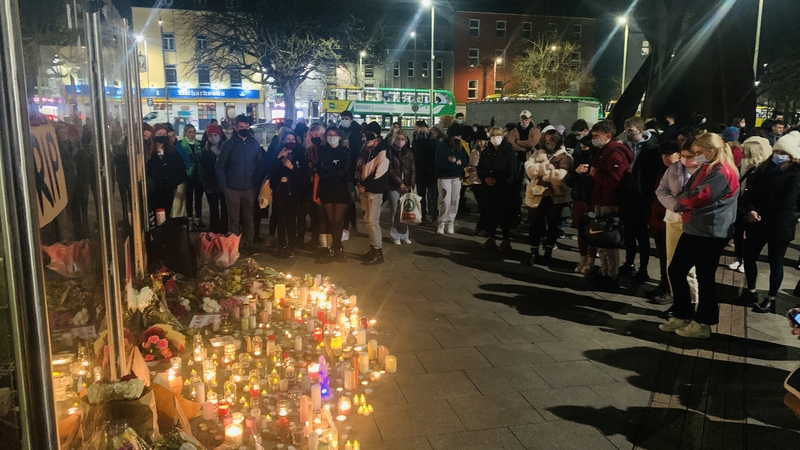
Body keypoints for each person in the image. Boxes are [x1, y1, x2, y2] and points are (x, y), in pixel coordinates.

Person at [659, 132, 739, 339]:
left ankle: (703, 322)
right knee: (676, 270)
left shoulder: (722, 171)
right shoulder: (708, 168)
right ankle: (682, 314)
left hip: (710, 231)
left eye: (699, 152)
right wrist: (685, 197)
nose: (696, 157)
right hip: (696, 227)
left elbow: (695, 197)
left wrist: (684, 198)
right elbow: (688, 191)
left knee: (704, 277)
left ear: (712, 150)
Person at [739, 134, 800, 314]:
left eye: (783, 152)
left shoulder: (795, 173)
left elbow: (786, 201)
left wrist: (760, 213)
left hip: (779, 225)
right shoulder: (762, 169)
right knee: (749, 256)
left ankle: (771, 299)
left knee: (776, 262)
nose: (778, 155)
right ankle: (750, 291)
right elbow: (749, 193)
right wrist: (750, 210)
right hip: (755, 222)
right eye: (777, 151)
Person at [654, 139, 701, 307]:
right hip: (673, 219)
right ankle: (678, 303)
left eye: (690, 156)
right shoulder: (675, 168)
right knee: (672, 265)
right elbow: (661, 190)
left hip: (695, 223)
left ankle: (692, 303)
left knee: (690, 268)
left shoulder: (707, 169)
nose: (685, 159)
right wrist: (674, 205)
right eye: (683, 156)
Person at [589, 121, 633, 290]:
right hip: (600, 199)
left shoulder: (614, 154)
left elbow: (616, 180)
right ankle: (605, 272)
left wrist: (596, 175)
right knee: (600, 240)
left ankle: (611, 275)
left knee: (608, 241)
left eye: (596, 136)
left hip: (609, 201)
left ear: (607, 136)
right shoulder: (604, 151)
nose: (593, 139)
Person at [620, 116, 662, 282]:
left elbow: (651, 174)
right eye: (626, 130)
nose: (628, 133)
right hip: (627, 193)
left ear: (640, 130)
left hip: (642, 195)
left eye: (631, 130)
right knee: (628, 232)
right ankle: (629, 263)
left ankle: (643, 268)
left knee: (642, 234)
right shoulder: (624, 145)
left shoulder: (652, 148)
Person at [523, 129, 574, 265]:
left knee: (553, 225)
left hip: (556, 196)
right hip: (537, 193)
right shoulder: (538, 153)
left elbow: (561, 177)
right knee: (535, 224)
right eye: (546, 141)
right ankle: (534, 253)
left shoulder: (565, 156)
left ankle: (548, 253)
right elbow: (528, 168)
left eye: (552, 140)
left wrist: (540, 174)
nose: (549, 143)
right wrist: (546, 167)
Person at [216, 114, 264, 255]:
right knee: (234, 220)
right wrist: (224, 186)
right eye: (242, 127)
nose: (245, 129)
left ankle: (248, 245)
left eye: (247, 127)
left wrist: (256, 184)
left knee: (249, 218)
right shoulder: (229, 144)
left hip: (249, 188)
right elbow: (219, 166)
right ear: (236, 128)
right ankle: (234, 246)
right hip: (232, 188)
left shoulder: (254, 144)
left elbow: (259, 164)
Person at [316, 127, 355, 263]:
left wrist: (330, 172)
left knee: (338, 220)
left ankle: (337, 248)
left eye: (334, 135)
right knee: (331, 220)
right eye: (329, 135)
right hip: (327, 189)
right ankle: (335, 249)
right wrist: (331, 172)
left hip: (341, 189)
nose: (331, 137)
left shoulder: (346, 151)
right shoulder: (323, 151)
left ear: (339, 137)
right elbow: (320, 168)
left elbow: (345, 170)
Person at [477, 126, 517, 251]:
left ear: (503, 136)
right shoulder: (487, 151)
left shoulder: (508, 150)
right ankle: (491, 237)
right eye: (493, 135)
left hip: (503, 187)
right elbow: (481, 167)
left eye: (498, 135)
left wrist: (498, 180)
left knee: (503, 214)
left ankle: (506, 239)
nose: (496, 138)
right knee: (491, 213)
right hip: (488, 187)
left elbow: (511, 169)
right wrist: (484, 178)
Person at [269, 132, 308, 258]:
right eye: (288, 139)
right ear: (283, 140)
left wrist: (292, 168)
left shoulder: (300, 154)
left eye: (293, 139)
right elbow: (270, 171)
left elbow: (303, 176)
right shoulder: (277, 153)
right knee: (281, 219)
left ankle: (291, 245)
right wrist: (278, 157)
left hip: (293, 192)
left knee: (291, 219)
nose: (291, 141)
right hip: (280, 190)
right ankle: (282, 245)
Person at [565, 135, 599, 274]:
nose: (583, 150)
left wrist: (588, 174)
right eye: (582, 147)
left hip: (591, 200)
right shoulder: (577, 159)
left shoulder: (597, 160)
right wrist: (576, 172)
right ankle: (582, 259)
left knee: (591, 232)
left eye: (586, 147)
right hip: (578, 198)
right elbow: (569, 181)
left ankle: (591, 261)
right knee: (580, 232)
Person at [356, 127, 390, 264]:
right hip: (364, 189)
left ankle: (378, 250)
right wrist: (358, 183)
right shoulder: (364, 149)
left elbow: (380, 173)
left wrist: (365, 185)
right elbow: (358, 168)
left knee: (372, 221)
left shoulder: (382, 150)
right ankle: (373, 247)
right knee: (368, 221)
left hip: (374, 191)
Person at [435, 123, 470, 235]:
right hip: (444, 176)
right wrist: (453, 164)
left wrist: (459, 163)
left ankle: (451, 222)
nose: (459, 138)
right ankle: (441, 222)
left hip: (457, 177)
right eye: (457, 136)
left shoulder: (460, 146)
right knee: (445, 200)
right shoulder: (442, 146)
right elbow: (439, 162)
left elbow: (465, 159)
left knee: (455, 200)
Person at [147, 123, 187, 218]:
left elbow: (181, 168)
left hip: (168, 190)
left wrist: (174, 183)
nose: (162, 137)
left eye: (164, 134)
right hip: (154, 192)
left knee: (167, 214)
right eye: (159, 134)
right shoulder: (148, 152)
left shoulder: (172, 151)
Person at [298, 124, 325, 248]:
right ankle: (305, 239)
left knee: (316, 214)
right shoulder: (308, 150)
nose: (315, 137)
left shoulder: (325, 149)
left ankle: (317, 240)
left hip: (320, 185)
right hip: (308, 185)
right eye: (312, 134)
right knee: (306, 213)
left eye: (317, 134)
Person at [386, 130, 416, 245]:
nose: (400, 141)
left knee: (405, 211)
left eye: (402, 139)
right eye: (398, 139)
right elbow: (391, 170)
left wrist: (411, 185)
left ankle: (404, 234)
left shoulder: (409, 152)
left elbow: (413, 170)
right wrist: (400, 184)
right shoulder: (390, 152)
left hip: (406, 185)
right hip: (394, 185)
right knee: (394, 210)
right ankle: (395, 235)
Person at [198, 124, 228, 234]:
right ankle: (214, 229)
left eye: (215, 134)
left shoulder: (225, 149)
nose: (213, 137)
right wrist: (207, 185)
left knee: (225, 209)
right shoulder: (204, 152)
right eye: (211, 135)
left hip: (224, 185)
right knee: (213, 209)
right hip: (211, 186)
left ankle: (224, 228)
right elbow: (202, 171)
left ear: (220, 135)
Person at [339, 111, 363, 237]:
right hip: (341, 168)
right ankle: (345, 224)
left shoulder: (355, 133)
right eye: (342, 118)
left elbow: (358, 152)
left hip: (351, 169)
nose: (344, 120)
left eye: (346, 118)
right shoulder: (340, 131)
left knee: (350, 198)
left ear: (351, 120)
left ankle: (351, 225)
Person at [177, 124, 206, 229]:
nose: (192, 134)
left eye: (193, 131)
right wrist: (194, 158)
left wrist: (192, 158)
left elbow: (202, 158)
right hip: (187, 175)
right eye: (189, 132)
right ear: (185, 133)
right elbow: (182, 159)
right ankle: (189, 219)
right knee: (188, 198)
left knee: (198, 198)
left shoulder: (200, 144)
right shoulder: (180, 144)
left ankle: (198, 218)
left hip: (198, 175)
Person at [412, 121, 439, 226]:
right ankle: (422, 217)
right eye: (421, 132)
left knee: (432, 197)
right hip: (420, 173)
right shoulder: (416, 142)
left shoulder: (434, 142)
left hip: (431, 173)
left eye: (425, 132)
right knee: (421, 197)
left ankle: (433, 217)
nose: (424, 135)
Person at [467, 128, 487, 235]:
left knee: (484, 205)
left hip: (483, 180)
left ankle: (483, 226)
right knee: (480, 205)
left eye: (481, 141)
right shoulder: (474, 152)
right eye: (478, 141)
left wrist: (478, 169)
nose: (479, 143)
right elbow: (470, 163)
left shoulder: (488, 152)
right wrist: (469, 168)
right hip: (474, 180)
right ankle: (482, 225)